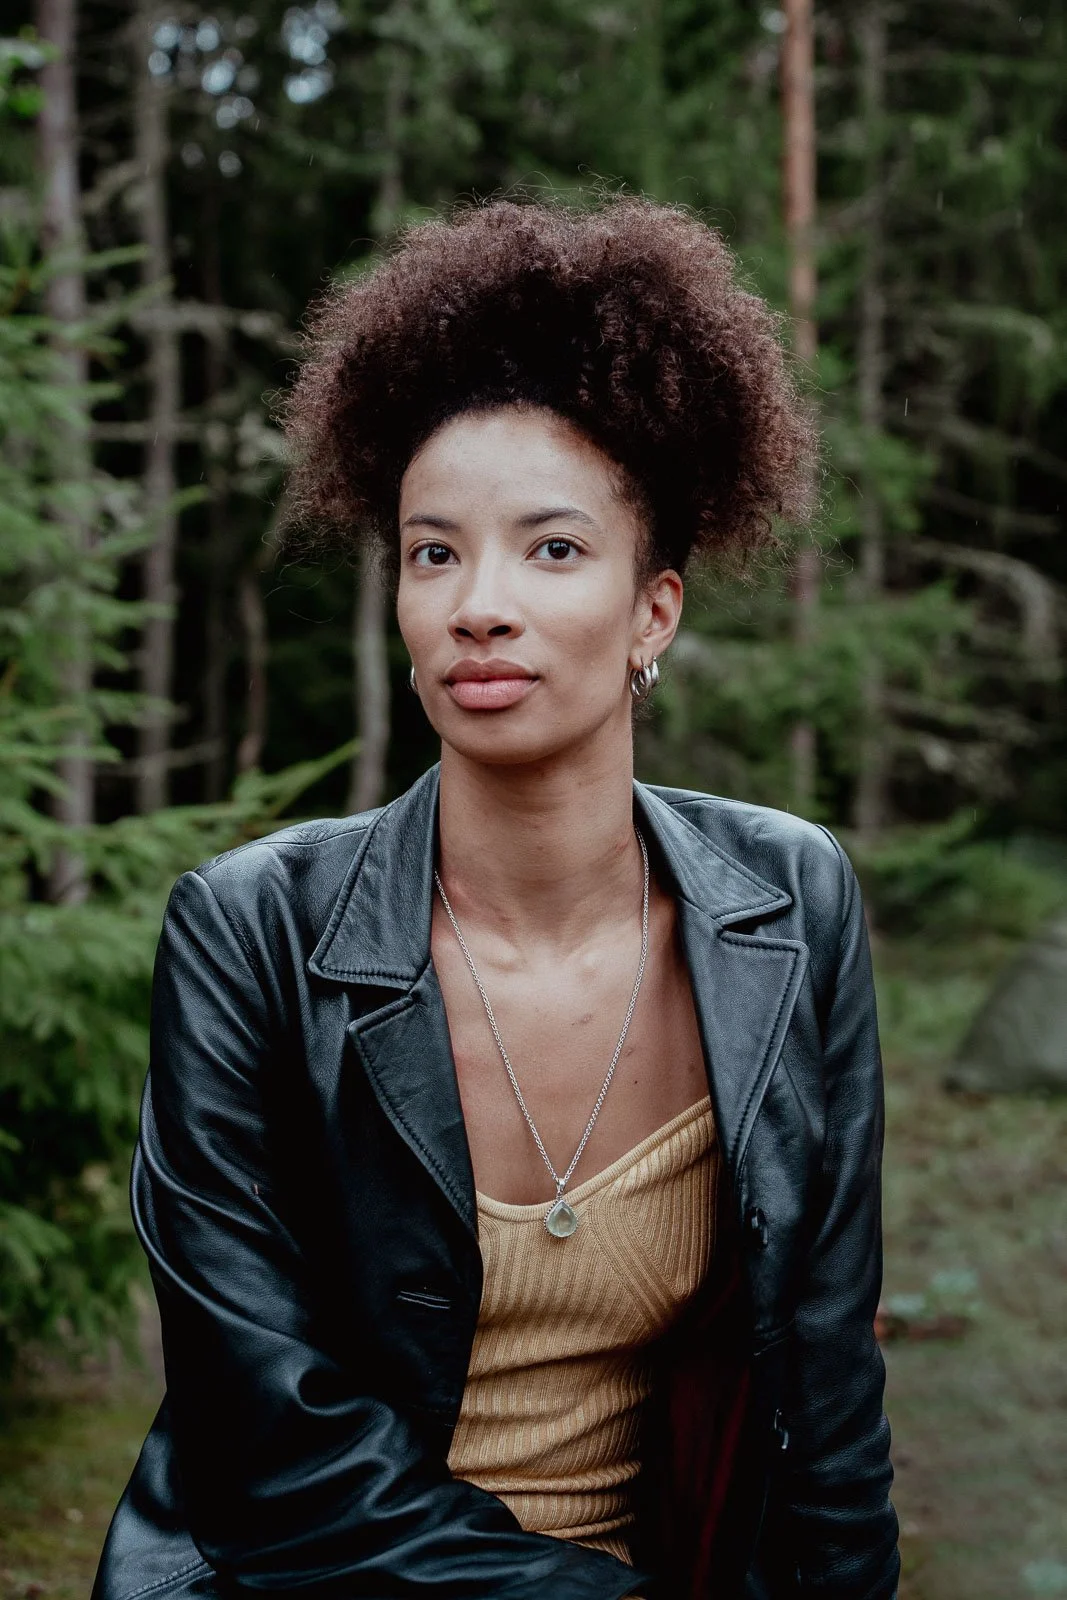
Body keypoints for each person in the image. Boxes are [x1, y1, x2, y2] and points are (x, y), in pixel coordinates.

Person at [93, 197, 899, 1600]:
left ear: (654, 612)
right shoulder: (249, 931)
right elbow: (268, 1444)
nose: (477, 603)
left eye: (551, 549)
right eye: (432, 551)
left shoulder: (788, 903)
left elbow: (823, 1397)